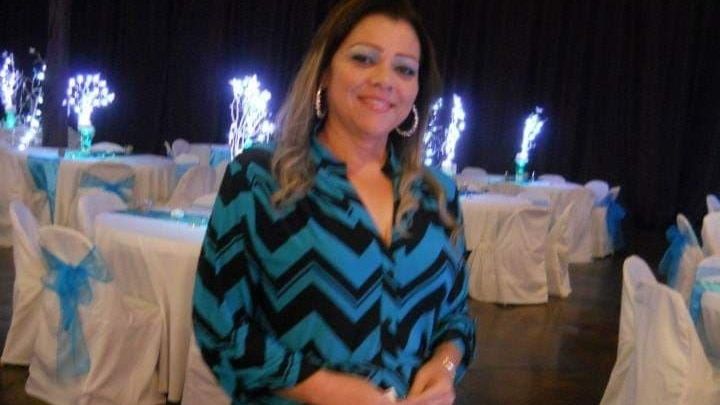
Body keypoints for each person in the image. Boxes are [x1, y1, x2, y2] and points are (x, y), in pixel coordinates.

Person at [192, 0, 475, 403]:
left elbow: (456, 315)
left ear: (417, 90)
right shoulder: (261, 176)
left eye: (404, 69)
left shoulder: (438, 193)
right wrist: (325, 389)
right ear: (325, 70)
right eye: (364, 58)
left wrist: (445, 366)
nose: (384, 79)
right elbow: (218, 323)